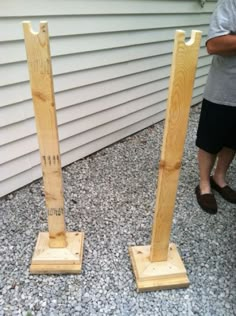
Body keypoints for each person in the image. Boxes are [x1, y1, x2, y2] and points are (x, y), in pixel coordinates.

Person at [195, 0, 236, 214]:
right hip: (224, 90)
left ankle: (219, 178)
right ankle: (204, 185)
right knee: (210, 141)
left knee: (232, 141)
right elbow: (214, 44)